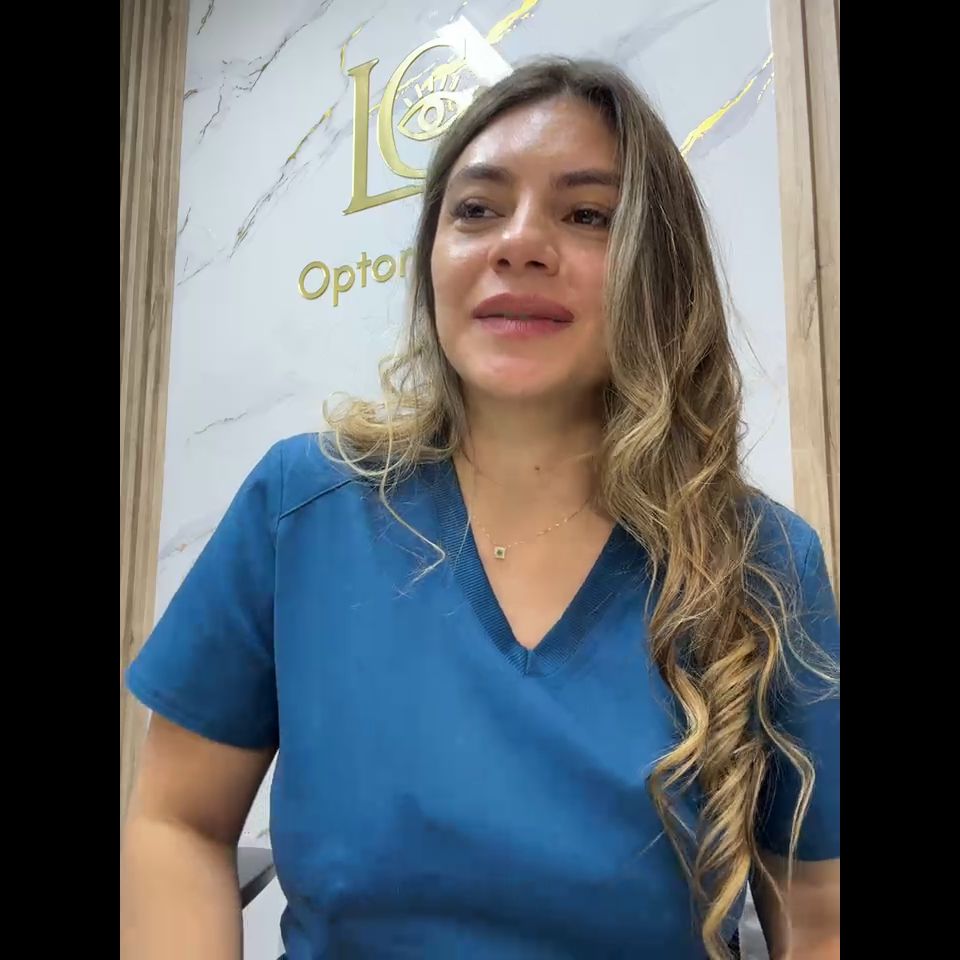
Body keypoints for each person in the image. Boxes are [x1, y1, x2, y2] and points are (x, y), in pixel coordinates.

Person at [120, 58, 840, 960]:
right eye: (476, 210)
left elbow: (819, 919)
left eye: (587, 215)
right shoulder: (302, 505)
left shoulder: (763, 562)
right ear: (434, 261)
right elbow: (178, 822)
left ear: (661, 271)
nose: (520, 243)